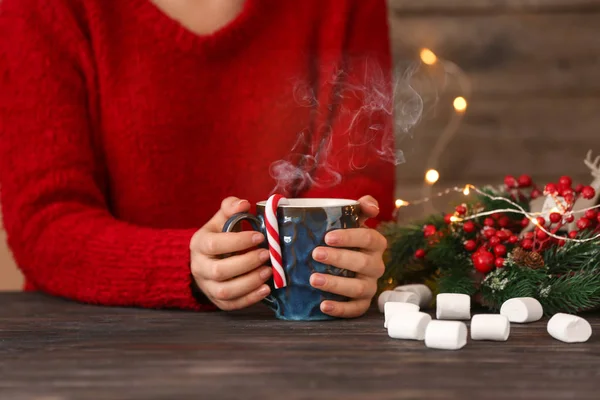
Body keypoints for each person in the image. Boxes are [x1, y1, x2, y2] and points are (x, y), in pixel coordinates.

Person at [0, 0, 396, 318]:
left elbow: (359, 188)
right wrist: (183, 263)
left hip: (315, 347)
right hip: (86, 344)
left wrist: (352, 258)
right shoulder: (44, 8)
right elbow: (45, 223)